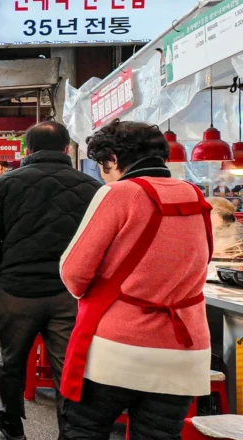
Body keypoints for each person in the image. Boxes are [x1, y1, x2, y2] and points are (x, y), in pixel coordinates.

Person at [60, 120, 212, 440]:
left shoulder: (120, 193)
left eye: (103, 165)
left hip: (118, 348)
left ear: (113, 159)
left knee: (84, 430)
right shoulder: (194, 195)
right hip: (184, 351)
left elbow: (74, 273)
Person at [0, 121, 102, 440]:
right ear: (66, 149)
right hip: (70, 294)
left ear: (26, 150)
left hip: (16, 291)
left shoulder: (4, 184)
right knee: (69, 368)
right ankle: (69, 432)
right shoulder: (92, 186)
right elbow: (101, 244)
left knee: (11, 361)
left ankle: (11, 422)